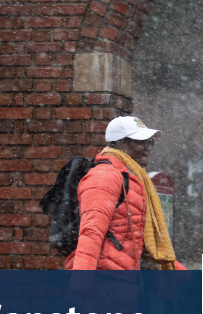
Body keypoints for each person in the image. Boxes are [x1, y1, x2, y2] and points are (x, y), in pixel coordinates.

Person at [65, 116, 186, 271]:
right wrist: (78, 291)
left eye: (149, 143)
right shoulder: (105, 176)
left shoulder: (136, 180)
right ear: (122, 144)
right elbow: (91, 235)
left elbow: (150, 249)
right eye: (141, 142)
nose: (147, 148)